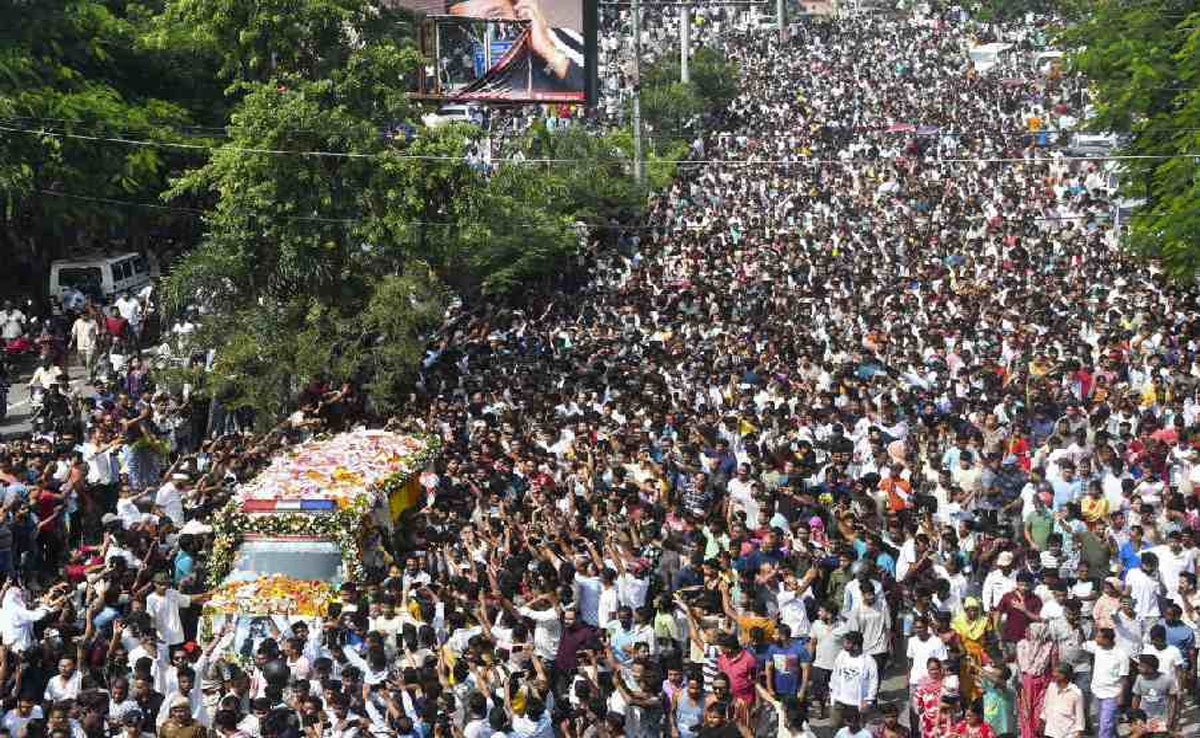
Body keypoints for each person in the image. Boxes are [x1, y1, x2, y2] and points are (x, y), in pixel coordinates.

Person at [828, 632, 877, 730]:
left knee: (857, 731)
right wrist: (832, 692)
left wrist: (868, 700)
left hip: (857, 703)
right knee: (834, 726)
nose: (844, 645)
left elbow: (873, 682)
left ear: (855, 646)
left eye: (847, 643)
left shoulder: (868, 661)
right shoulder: (842, 655)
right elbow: (835, 674)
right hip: (839, 700)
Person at [1015, 622, 1054, 738]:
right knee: (1026, 712)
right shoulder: (1022, 645)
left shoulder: (1049, 646)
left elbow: (1052, 666)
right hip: (1026, 683)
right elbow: (1019, 666)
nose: (1025, 633)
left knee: (1040, 713)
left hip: (1042, 683)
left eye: (1029, 631)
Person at [1040, 664, 1085, 738]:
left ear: (1065, 675)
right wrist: (1042, 721)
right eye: (1054, 672)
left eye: (1057, 673)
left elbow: (1080, 717)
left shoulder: (1076, 693)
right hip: (1050, 733)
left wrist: (1078, 733)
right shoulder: (1051, 687)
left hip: (1067, 734)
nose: (1054, 674)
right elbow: (1045, 706)